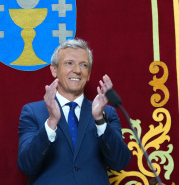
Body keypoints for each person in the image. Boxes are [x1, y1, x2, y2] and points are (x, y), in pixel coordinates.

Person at [17, 38, 131, 184]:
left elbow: (120, 162)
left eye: (83, 65)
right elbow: (26, 165)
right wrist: (51, 122)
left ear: (88, 74)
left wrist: (100, 121)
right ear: (54, 70)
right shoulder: (32, 112)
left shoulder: (106, 112)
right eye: (69, 63)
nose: (77, 70)